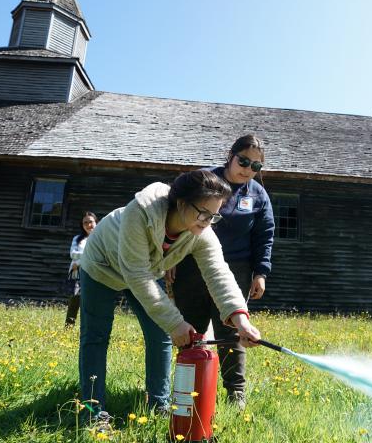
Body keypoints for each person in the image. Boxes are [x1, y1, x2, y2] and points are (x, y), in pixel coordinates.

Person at [78, 169, 262, 421]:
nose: (208, 221)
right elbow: (138, 277)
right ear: (182, 203)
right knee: (96, 336)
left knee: (160, 336)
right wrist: (176, 322)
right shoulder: (139, 213)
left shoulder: (202, 233)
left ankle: (159, 404)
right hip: (103, 265)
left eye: (214, 216)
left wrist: (240, 319)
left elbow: (219, 273)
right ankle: (92, 411)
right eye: (203, 213)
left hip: (142, 269)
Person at [170, 134, 274, 409]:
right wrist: (171, 260)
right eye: (243, 161)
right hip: (192, 265)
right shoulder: (206, 181)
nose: (248, 169)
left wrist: (260, 272)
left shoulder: (258, 195)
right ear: (230, 155)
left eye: (256, 166)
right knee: (191, 328)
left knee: (232, 331)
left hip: (236, 269)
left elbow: (265, 235)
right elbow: (177, 218)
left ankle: (235, 393)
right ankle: (187, 389)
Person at [65, 211, 97, 326]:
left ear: (96, 222)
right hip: (77, 274)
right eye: (85, 222)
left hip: (95, 274)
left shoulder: (101, 238)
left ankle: (88, 328)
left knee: (91, 303)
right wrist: (88, 256)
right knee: (74, 301)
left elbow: (99, 256)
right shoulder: (77, 238)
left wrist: (78, 262)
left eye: (91, 222)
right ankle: (68, 328)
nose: (88, 225)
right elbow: (73, 254)